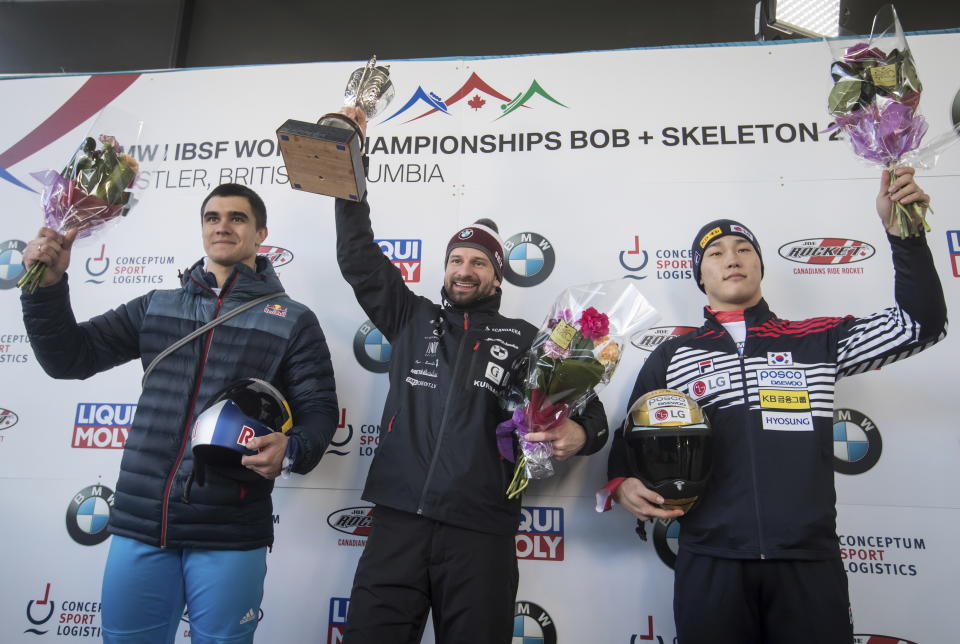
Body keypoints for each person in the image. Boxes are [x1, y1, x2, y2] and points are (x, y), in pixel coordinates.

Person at [601, 167, 947, 643]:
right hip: (710, 559)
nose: (732, 259)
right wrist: (620, 482)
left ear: (761, 265)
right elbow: (630, 434)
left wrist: (902, 234)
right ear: (698, 275)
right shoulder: (674, 354)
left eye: (744, 249)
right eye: (715, 253)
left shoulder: (816, 340)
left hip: (807, 559)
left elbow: (918, 325)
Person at [334, 108, 608, 644]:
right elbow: (358, 257)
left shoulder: (530, 338)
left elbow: (589, 410)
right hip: (398, 520)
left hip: (481, 529)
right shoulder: (410, 317)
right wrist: (348, 169)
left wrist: (581, 434)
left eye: (478, 262)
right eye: (456, 259)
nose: (464, 269)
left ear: (497, 274)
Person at [20, 183, 339, 644]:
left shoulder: (291, 318)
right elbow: (69, 358)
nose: (222, 226)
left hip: (229, 530)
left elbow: (319, 409)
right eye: (212, 217)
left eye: (237, 217)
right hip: (140, 522)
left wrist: (294, 449)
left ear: (260, 232)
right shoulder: (156, 306)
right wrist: (46, 290)